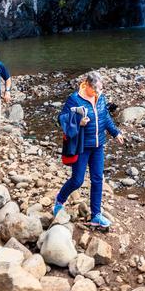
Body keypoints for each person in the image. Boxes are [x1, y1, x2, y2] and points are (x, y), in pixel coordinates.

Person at [54, 70, 123, 228]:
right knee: (77, 180)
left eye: (101, 88)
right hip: (82, 146)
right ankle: (59, 200)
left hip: (98, 146)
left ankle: (96, 215)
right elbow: (61, 119)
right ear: (88, 86)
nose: (100, 92)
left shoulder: (100, 97)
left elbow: (105, 117)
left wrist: (115, 132)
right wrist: (78, 122)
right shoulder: (75, 99)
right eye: (97, 89)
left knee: (98, 179)